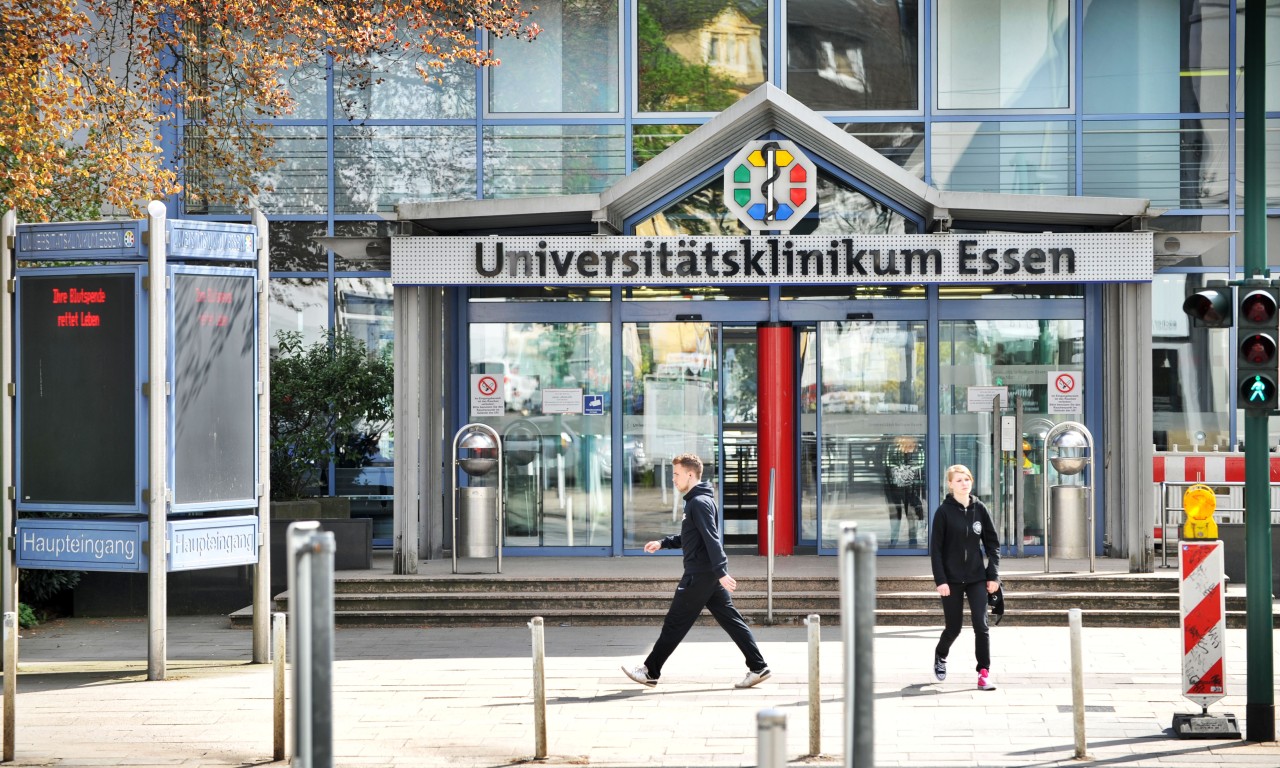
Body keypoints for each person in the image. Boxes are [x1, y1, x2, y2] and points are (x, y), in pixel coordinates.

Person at [622, 453, 771, 689]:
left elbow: (712, 539)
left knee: (674, 623)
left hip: (699, 575)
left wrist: (721, 571)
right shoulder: (698, 501)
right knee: (732, 620)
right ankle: (758, 667)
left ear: (690, 475)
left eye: (676, 474)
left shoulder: (698, 503)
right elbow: (692, 536)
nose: (673, 479)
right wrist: (663, 543)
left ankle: (650, 671)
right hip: (706, 574)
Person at [929, 463, 1000, 691]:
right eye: (958, 480)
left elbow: (993, 545)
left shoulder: (980, 508)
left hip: (977, 578)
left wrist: (993, 575)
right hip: (950, 580)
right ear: (950, 484)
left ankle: (984, 672)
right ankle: (941, 655)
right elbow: (936, 550)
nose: (964, 483)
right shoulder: (943, 512)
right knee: (954, 627)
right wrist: (941, 580)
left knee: (982, 625)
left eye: (967, 479)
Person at [883, 435, 926, 547]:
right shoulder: (893, 452)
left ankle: (913, 539)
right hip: (895, 489)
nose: (908, 448)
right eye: (906, 445)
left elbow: (919, 466)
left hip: (912, 489)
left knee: (911, 514)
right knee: (895, 515)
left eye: (911, 445)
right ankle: (894, 539)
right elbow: (889, 466)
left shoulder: (919, 451)